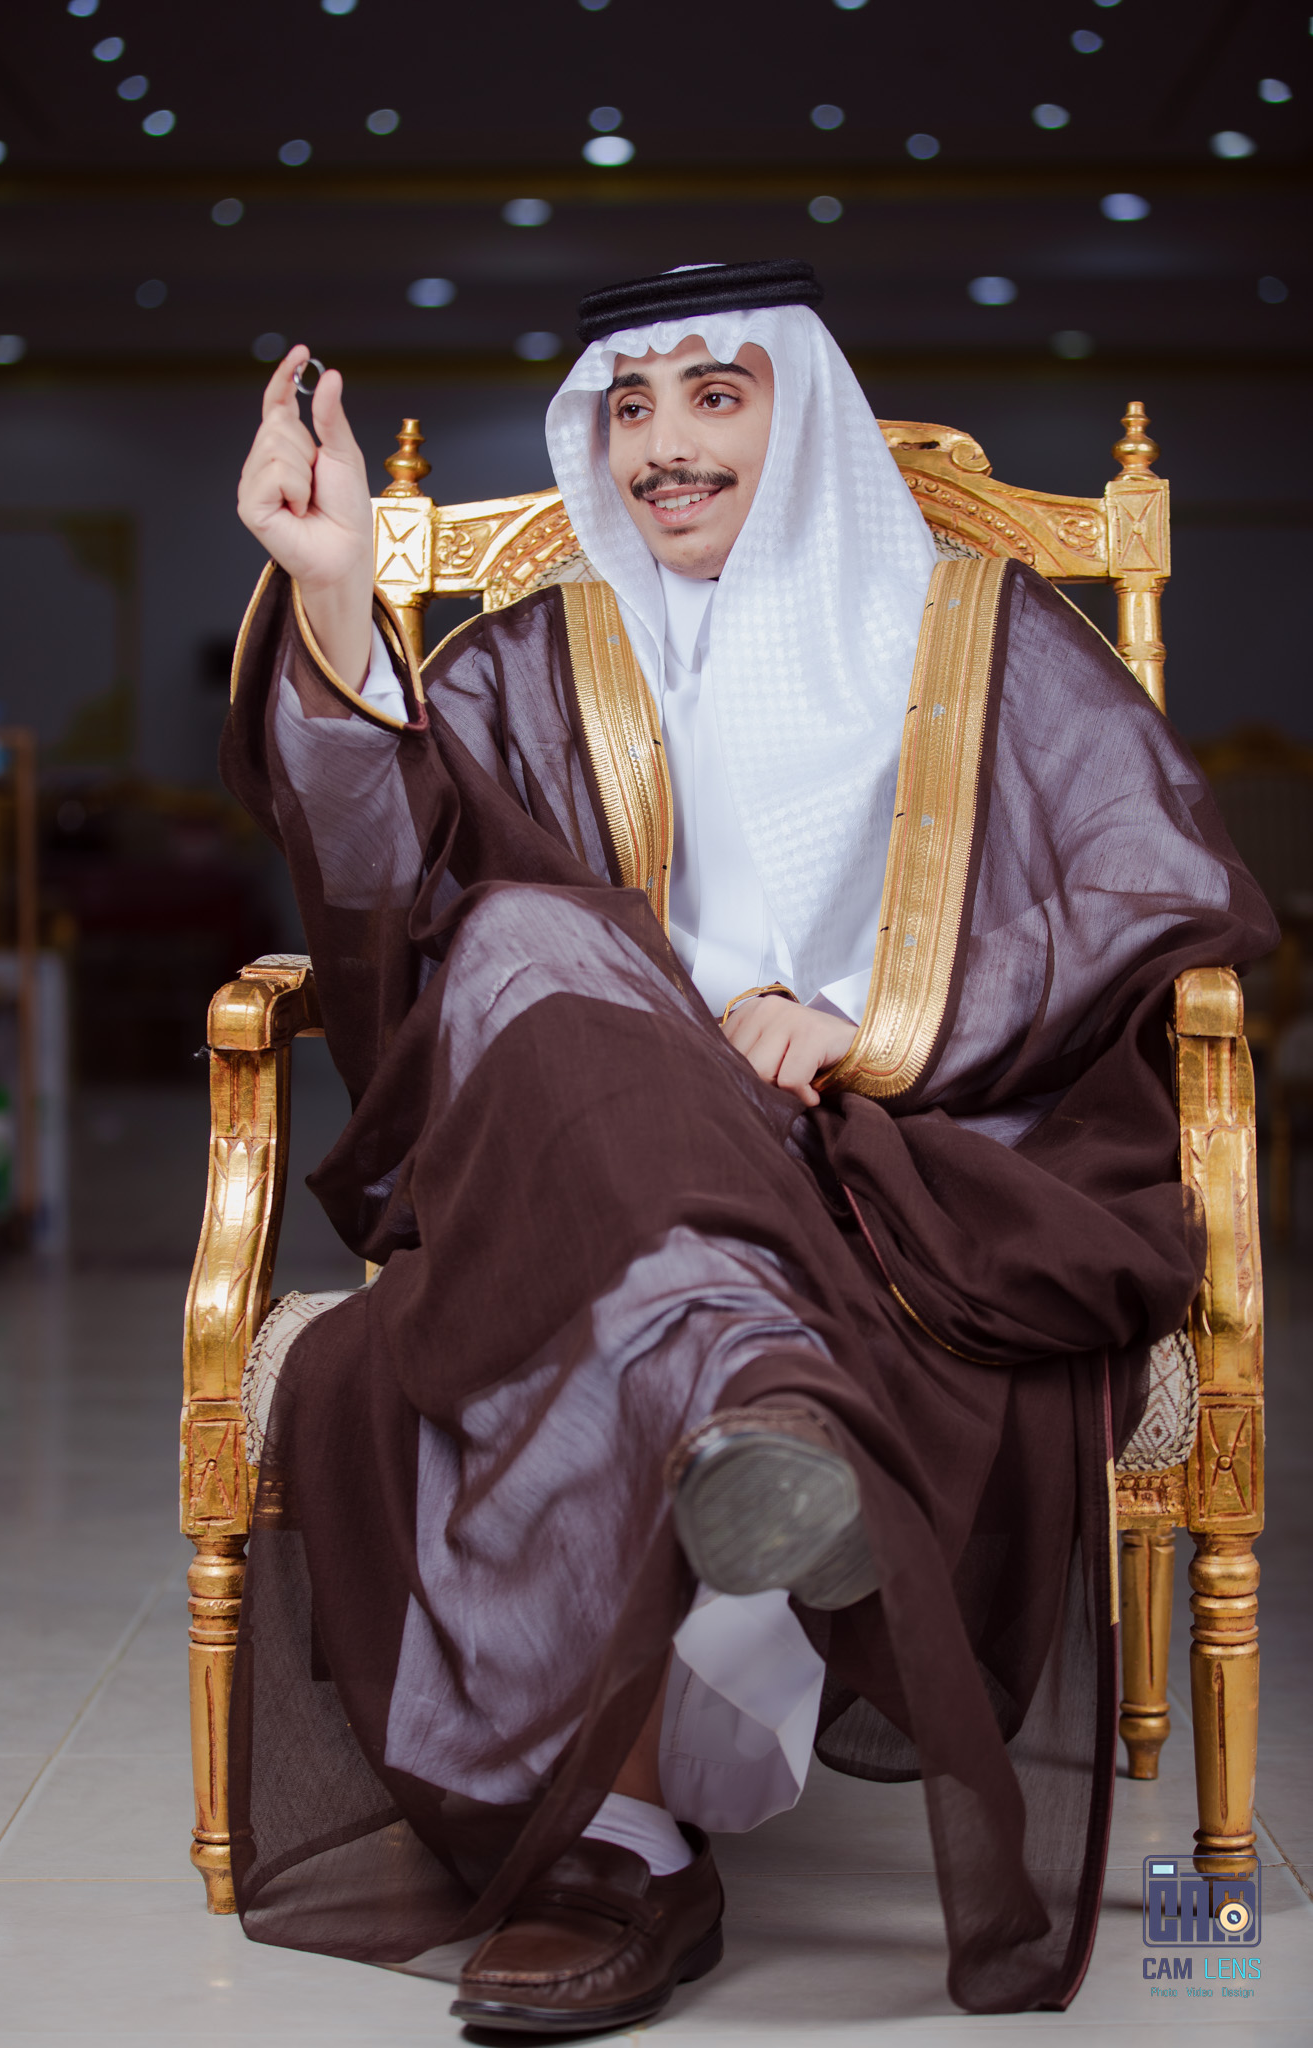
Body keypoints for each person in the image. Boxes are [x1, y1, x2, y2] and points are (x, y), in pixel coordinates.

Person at [223, 261, 1272, 2032]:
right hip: (591, 1159)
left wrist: (864, 1019)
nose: (662, 448)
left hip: (903, 1163)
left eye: (716, 395)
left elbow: (1153, 884)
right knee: (521, 939)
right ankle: (763, 1415)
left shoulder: (980, 633)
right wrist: (332, 594)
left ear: (807, 413)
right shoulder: (535, 659)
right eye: (628, 408)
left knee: (586, 1206)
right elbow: (393, 895)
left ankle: (619, 1848)